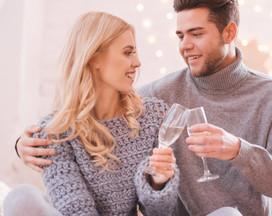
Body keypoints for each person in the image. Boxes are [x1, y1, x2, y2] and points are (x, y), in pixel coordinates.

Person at [14, 0, 272, 216]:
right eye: (180, 35)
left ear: (229, 32)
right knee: (22, 198)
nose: (185, 46)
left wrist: (238, 149)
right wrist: (24, 145)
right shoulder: (158, 96)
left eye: (196, 34)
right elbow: (100, 115)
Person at [4, 11, 179, 216]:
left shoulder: (152, 116)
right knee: (20, 197)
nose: (137, 62)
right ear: (94, 58)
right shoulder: (55, 131)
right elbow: (76, 210)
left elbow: (161, 213)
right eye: (128, 52)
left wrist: (159, 183)